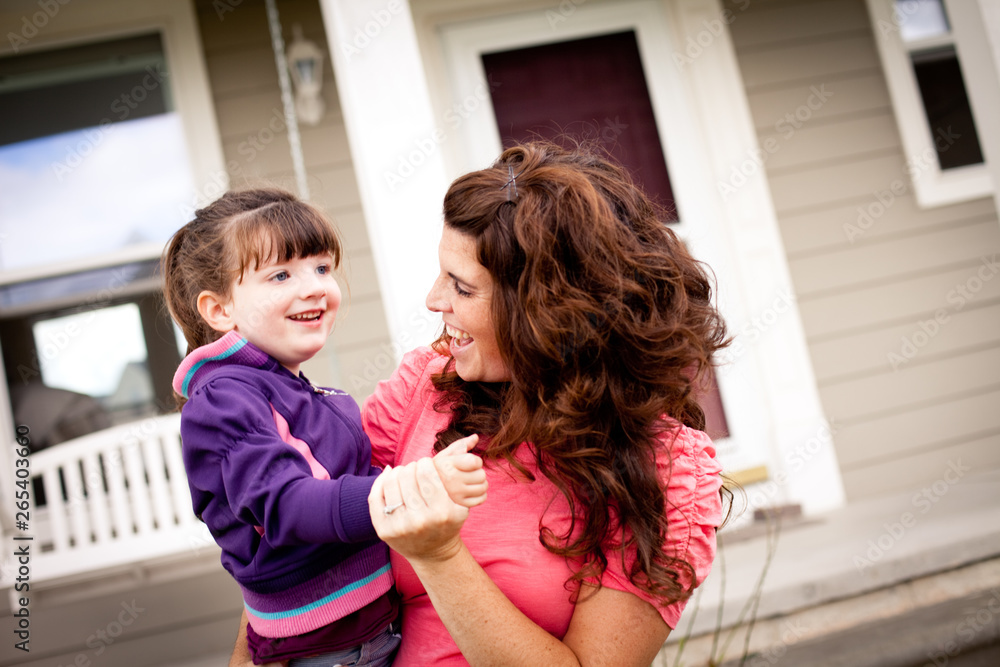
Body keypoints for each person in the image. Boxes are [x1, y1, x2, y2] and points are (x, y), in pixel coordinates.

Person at [230, 140, 728, 666]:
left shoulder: (669, 472)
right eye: (442, 274)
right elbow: (295, 550)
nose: (433, 300)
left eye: (462, 288)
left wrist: (440, 555)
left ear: (547, 311)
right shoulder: (425, 386)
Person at [162, 188, 487, 666]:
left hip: (364, 634)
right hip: (329, 649)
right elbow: (286, 504)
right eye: (280, 275)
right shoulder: (223, 400)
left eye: (321, 268)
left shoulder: (281, 387)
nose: (313, 286)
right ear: (219, 310)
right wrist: (411, 488)